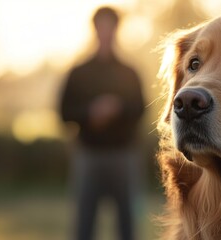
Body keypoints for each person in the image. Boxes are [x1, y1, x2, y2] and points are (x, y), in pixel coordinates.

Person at [59, 7, 144, 240]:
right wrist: (90, 112)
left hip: (123, 155)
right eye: (101, 25)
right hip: (88, 155)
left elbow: (140, 109)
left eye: (110, 25)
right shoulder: (78, 72)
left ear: (117, 28)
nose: (106, 31)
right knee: (84, 221)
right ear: (94, 28)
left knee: (127, 221)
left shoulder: (129, 72)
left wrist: (117, 109)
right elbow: (64, 113)